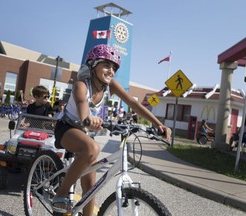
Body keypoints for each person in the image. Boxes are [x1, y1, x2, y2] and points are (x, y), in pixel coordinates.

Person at [53, 44, 172, 215]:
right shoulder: (81, 84)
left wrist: (158, 124)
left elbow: (133, 103)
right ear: (93, 65)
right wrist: (88, 119)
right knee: (92, 148)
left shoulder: (111, 86)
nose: (111, 71)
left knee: (90, 185)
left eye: (114, 67)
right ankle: (61, 194)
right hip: (67, 127)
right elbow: (82, 104)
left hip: (84, 133)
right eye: (107, 65)